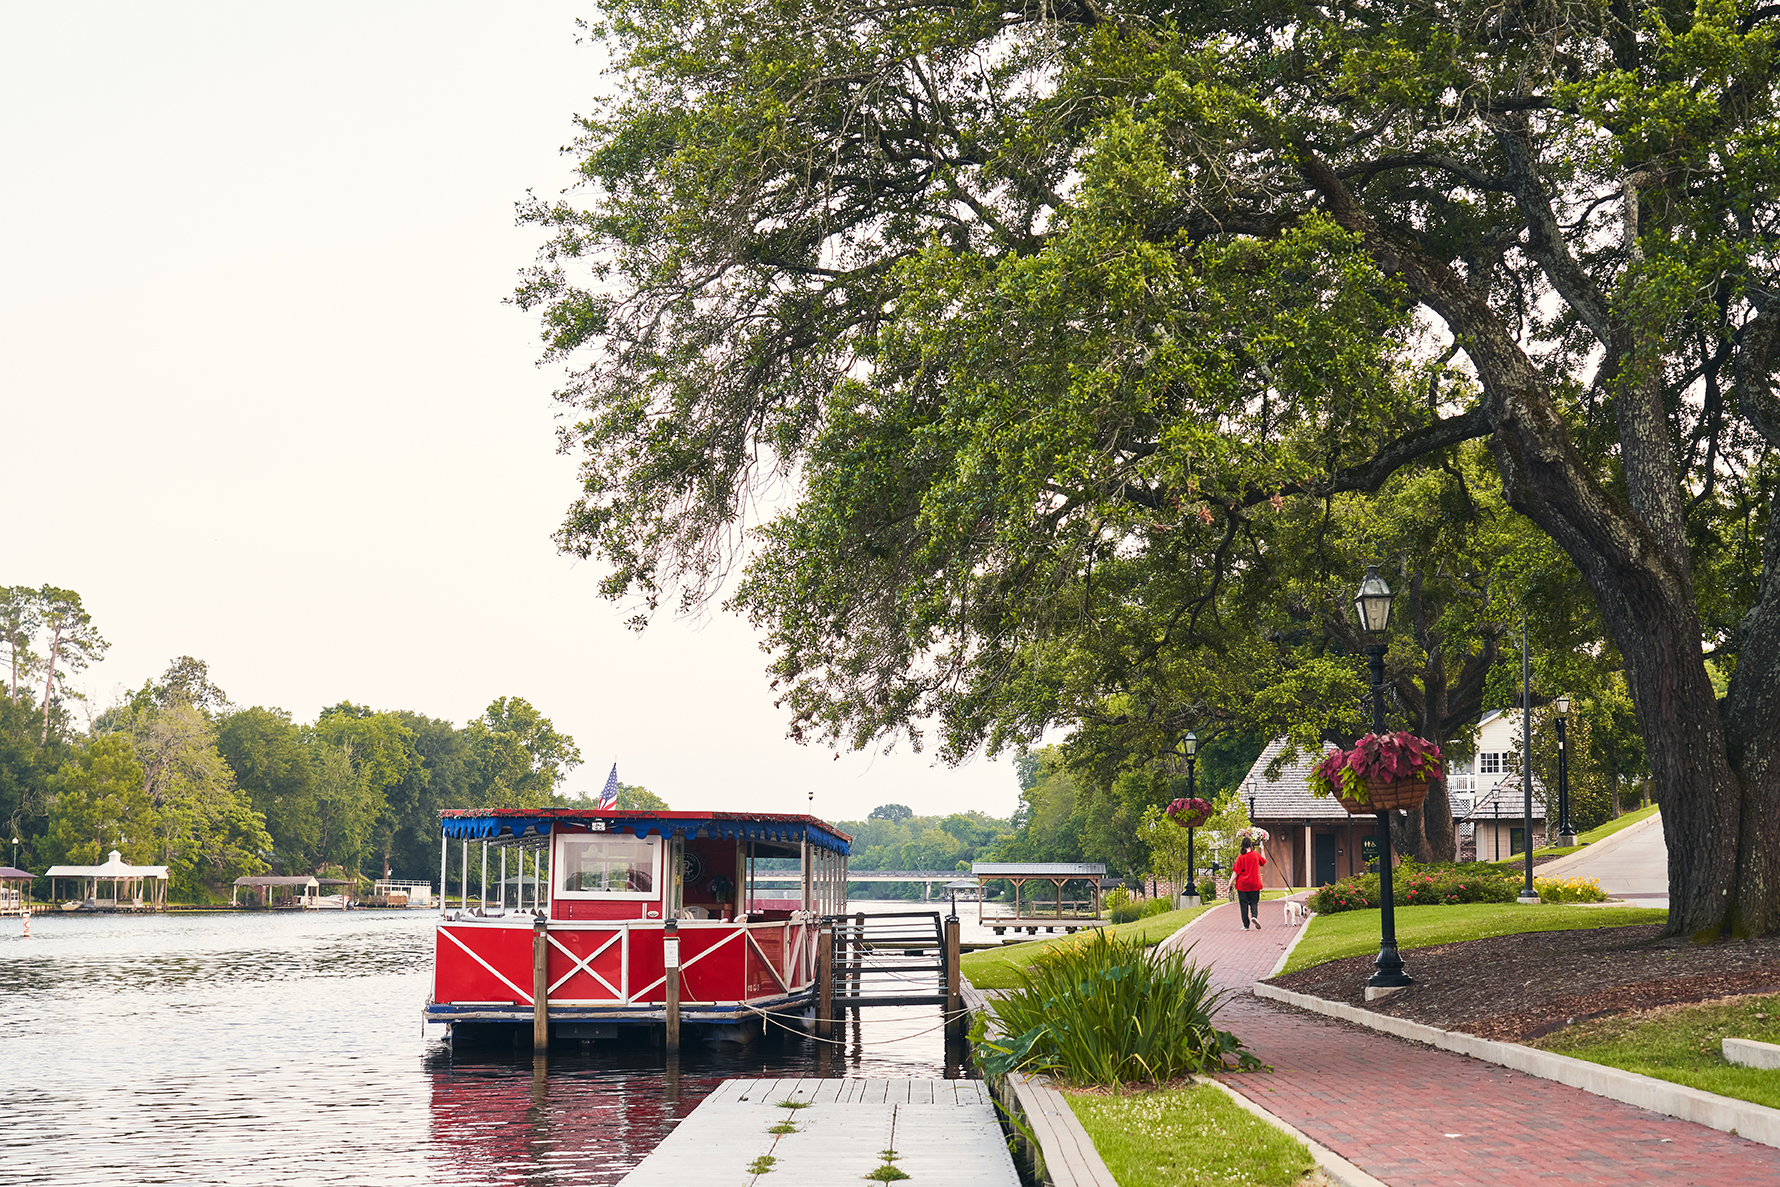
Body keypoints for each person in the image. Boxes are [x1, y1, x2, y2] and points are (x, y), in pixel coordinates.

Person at [1232, 836, 1266, 929]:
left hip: (1242, 885)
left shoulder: (1241, 857)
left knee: (1243, 905)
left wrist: (1229, 884)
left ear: (1242, 846)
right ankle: (1254, 916)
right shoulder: (1255, 854)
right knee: (1254, 902)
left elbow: (1235, 873)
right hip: (1255, 883)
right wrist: (1262, 850)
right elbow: (1263, 862)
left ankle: (1246, 925)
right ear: (1250, 845)